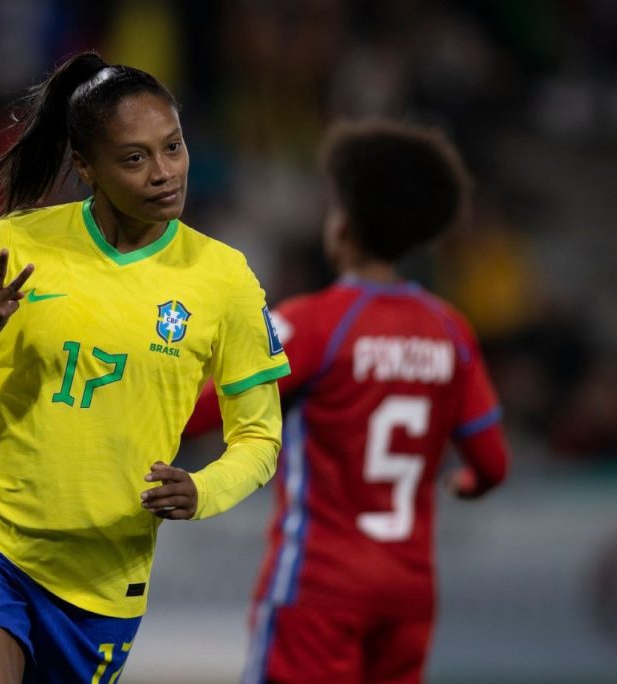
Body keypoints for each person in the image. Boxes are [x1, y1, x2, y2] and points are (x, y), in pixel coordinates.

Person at [0, 51, 290, 683]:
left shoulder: (224, 278)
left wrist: (203, 491)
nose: (164, 173)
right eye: (135, 158)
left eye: (174, 147)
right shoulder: (15, 245)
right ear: (85, 167)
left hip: (103, 579)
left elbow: (259, 439)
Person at [185, 120, 511, 684]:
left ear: (346, 227)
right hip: (408, 594)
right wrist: (465, 485)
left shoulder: (316, 324)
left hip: (321, 587)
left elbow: (205, 413)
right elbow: (492, 464)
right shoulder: (450, 331)